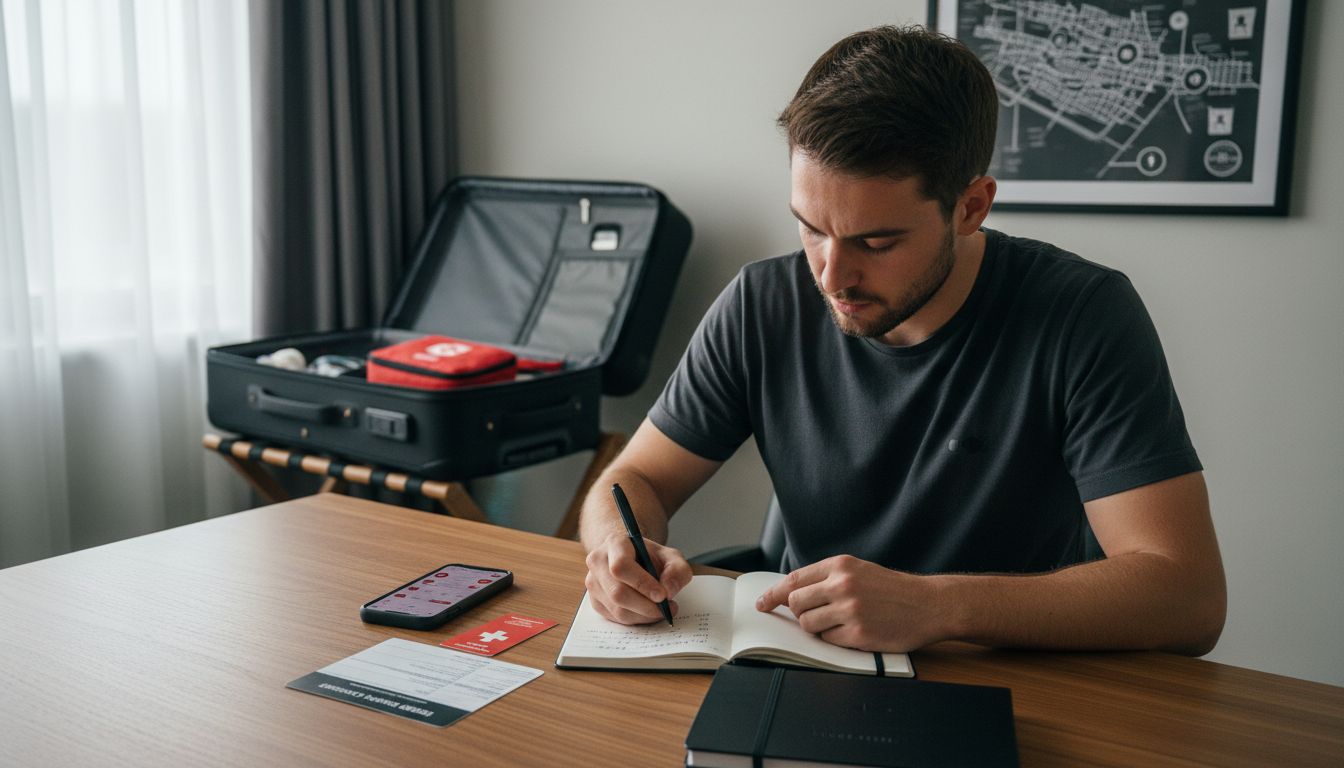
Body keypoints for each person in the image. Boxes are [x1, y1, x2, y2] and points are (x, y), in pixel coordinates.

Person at [579, 25, 1226, 655]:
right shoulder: (760, 305)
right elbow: (635, 479)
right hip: (804, 663)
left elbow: (1187, 596)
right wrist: (617, 549)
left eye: (877, 242)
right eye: (810, 228)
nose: (831, 275)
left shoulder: (1082, 315)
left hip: (1013, 678)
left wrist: (936, 607)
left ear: (971, 207)